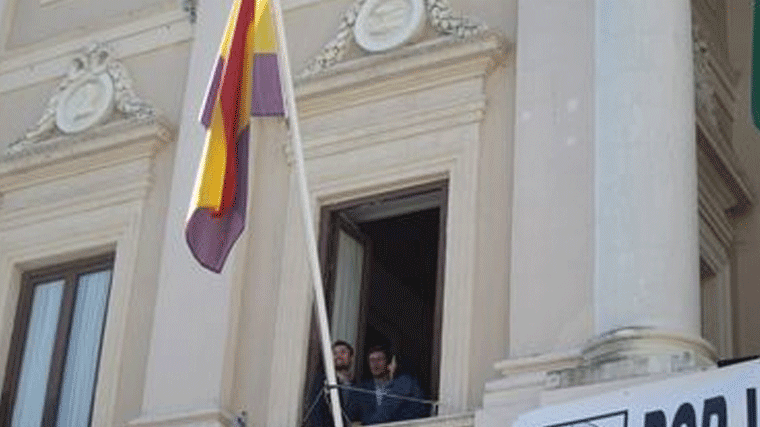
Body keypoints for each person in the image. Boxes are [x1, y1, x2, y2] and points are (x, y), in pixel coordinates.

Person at [350, 345, 430, 425]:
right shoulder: (361, 389)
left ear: (389, 362)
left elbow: (421, 411)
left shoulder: (405, 385)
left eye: (379, 359)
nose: (375, 364)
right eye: (372, 360)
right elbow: (352, 416)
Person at [306, 340, 357, 427]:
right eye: (334, 353)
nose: (338, 356)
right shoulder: (323, 383)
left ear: (351, 357)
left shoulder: (356, 385)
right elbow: (316, 412)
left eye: (343, 352)